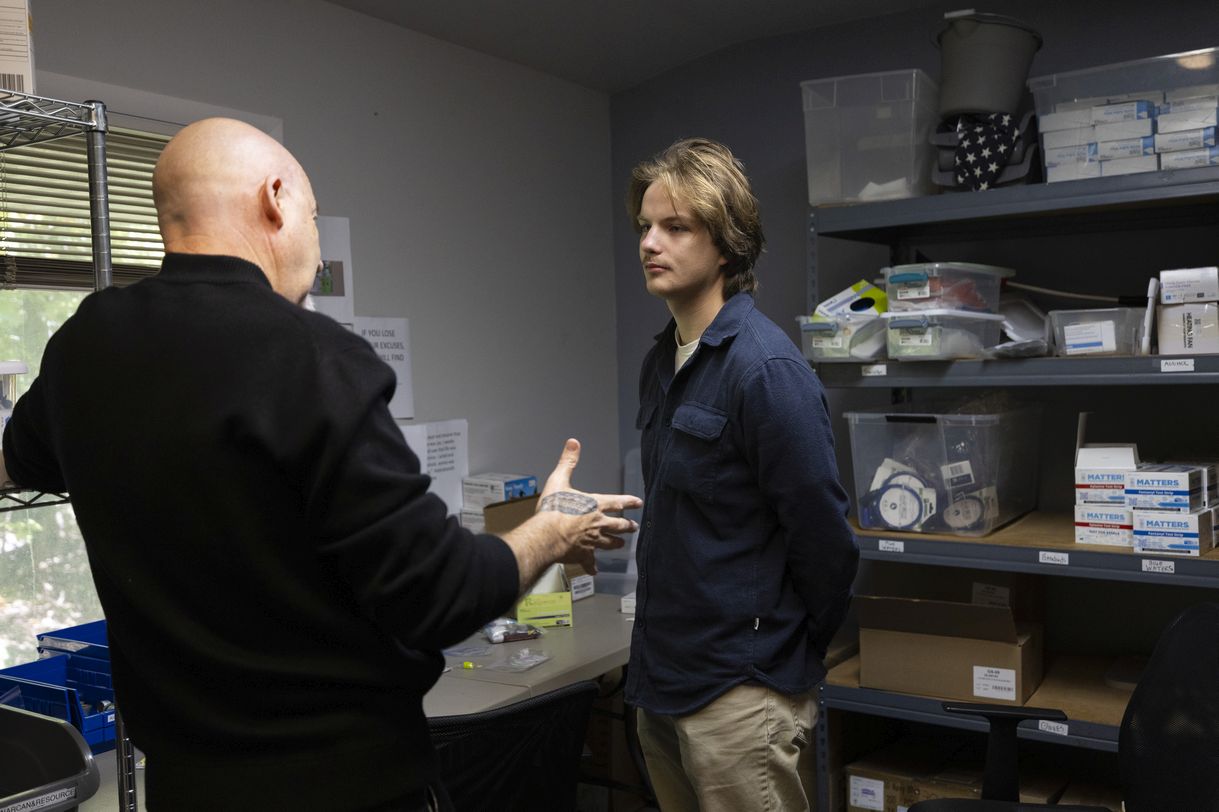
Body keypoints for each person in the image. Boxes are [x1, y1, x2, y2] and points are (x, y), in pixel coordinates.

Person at [0, 117, 641, 811]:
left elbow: (16, 463)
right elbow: (442, 596)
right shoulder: (312, 357)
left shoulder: (84, 347)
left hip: (187, 789)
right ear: (275, 198)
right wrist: (550, 528)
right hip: (344, 787)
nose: (312, 238)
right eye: (312, 215)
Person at [624, 137, 859, 811]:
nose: (650, 242)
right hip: (662, 675)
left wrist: (782, 658)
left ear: (725, 245)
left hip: (739, 692)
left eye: (675, 227)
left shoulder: (765, 370)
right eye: (645, 226)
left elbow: (825, 541)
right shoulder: (661, 362)